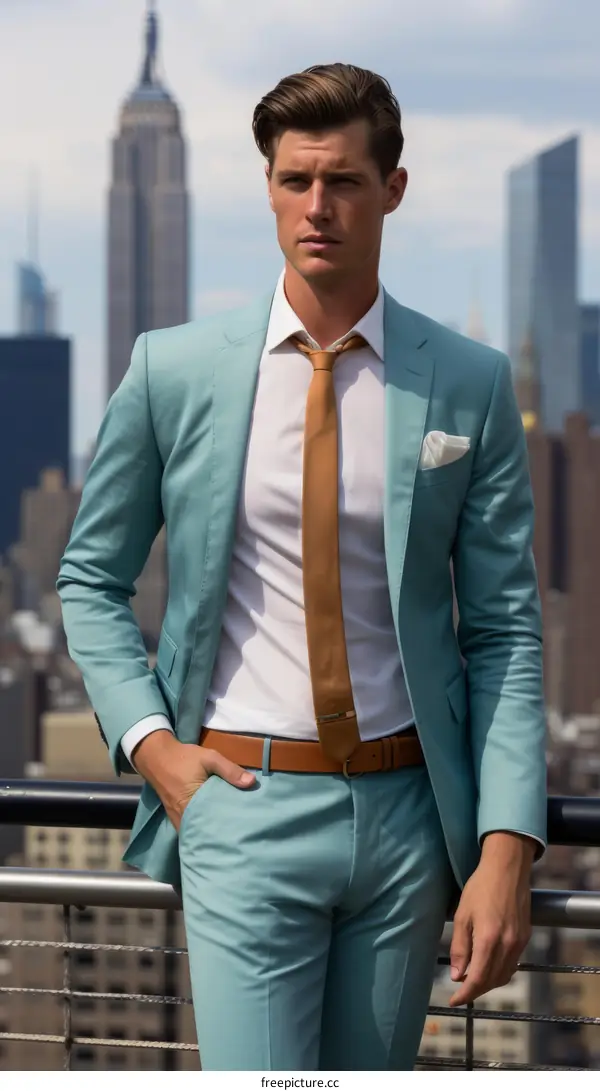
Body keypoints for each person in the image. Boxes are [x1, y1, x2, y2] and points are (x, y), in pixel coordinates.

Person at [57, 63, 547, 1071]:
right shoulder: (174, 368)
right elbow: (88, 576)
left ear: (392, 190)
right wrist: (154, 748)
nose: (316, 207)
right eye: (293, 181)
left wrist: (507, 845)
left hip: (413, 816)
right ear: (269, 187)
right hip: (244, 800)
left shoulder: (470, 382)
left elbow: (502, 627)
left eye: (344, 182)